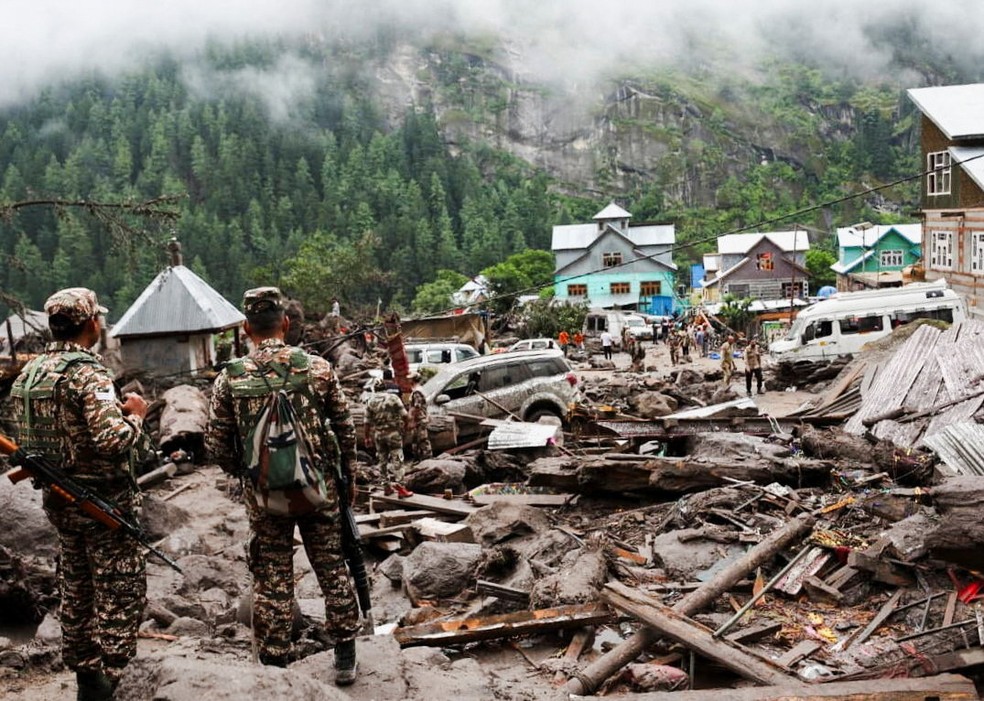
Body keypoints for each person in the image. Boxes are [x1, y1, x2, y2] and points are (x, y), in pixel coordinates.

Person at [205, 287, 361, 683]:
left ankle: (275, 664)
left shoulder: (230, 380)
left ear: (245, 329)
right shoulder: (318, 368)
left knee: (272, 577)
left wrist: (248, 474)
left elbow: (216, 444)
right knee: (331, 567)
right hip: (318, 489)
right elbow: (345, 428)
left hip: (264, 496)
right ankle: (344, 655)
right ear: (285, 324)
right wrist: (348, 477)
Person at [10, 287, 149, 700]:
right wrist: (137, 416)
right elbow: (111, 440)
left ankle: (86, 678)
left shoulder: (31, 373)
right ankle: (114, 680)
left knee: (76, 585)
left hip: (58, 500)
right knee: (119, 589)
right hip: (103, 503)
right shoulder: (88, 373)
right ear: (91, 323)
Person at [364, 369, 409, 492]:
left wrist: (367, 437)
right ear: (384, 387)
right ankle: (400, 487)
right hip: (393, 433)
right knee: (397, 459)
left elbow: (366, 422)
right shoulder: (393, 398)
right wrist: (405, 428)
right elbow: (405, 415)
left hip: (379, 434)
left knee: (382, 460)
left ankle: (386, 486)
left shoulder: (370, 401)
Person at [406, 374, 432, 461]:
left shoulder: (417, 392)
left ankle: (427, 459)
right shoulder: (417, 390)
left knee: (422, 439)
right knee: (416, 440)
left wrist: (412, 420)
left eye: (410, 379)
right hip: (420, 418)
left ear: (413, 380)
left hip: (420, 419)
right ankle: (419, 459)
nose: (408, 381)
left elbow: (417, 407)